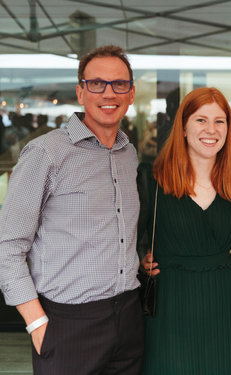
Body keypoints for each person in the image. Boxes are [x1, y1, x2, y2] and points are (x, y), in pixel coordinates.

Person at [0, 45, 144, 374]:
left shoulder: (128, 153)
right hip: (68, 321)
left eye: (119, 84)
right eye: (97, 83)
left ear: (131, 93)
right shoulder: (45, 153)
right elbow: (8, 246)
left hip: (129, 316)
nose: (109, 92)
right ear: (81, 91)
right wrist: (36, 322)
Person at [139, 87, 231, 374]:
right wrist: (141, 257)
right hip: (171, 303)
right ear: (184, 128)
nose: (210, 129)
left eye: (219, 121)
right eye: (201, 120)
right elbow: (129, 237)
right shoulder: (152, 180)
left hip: (222, 305)